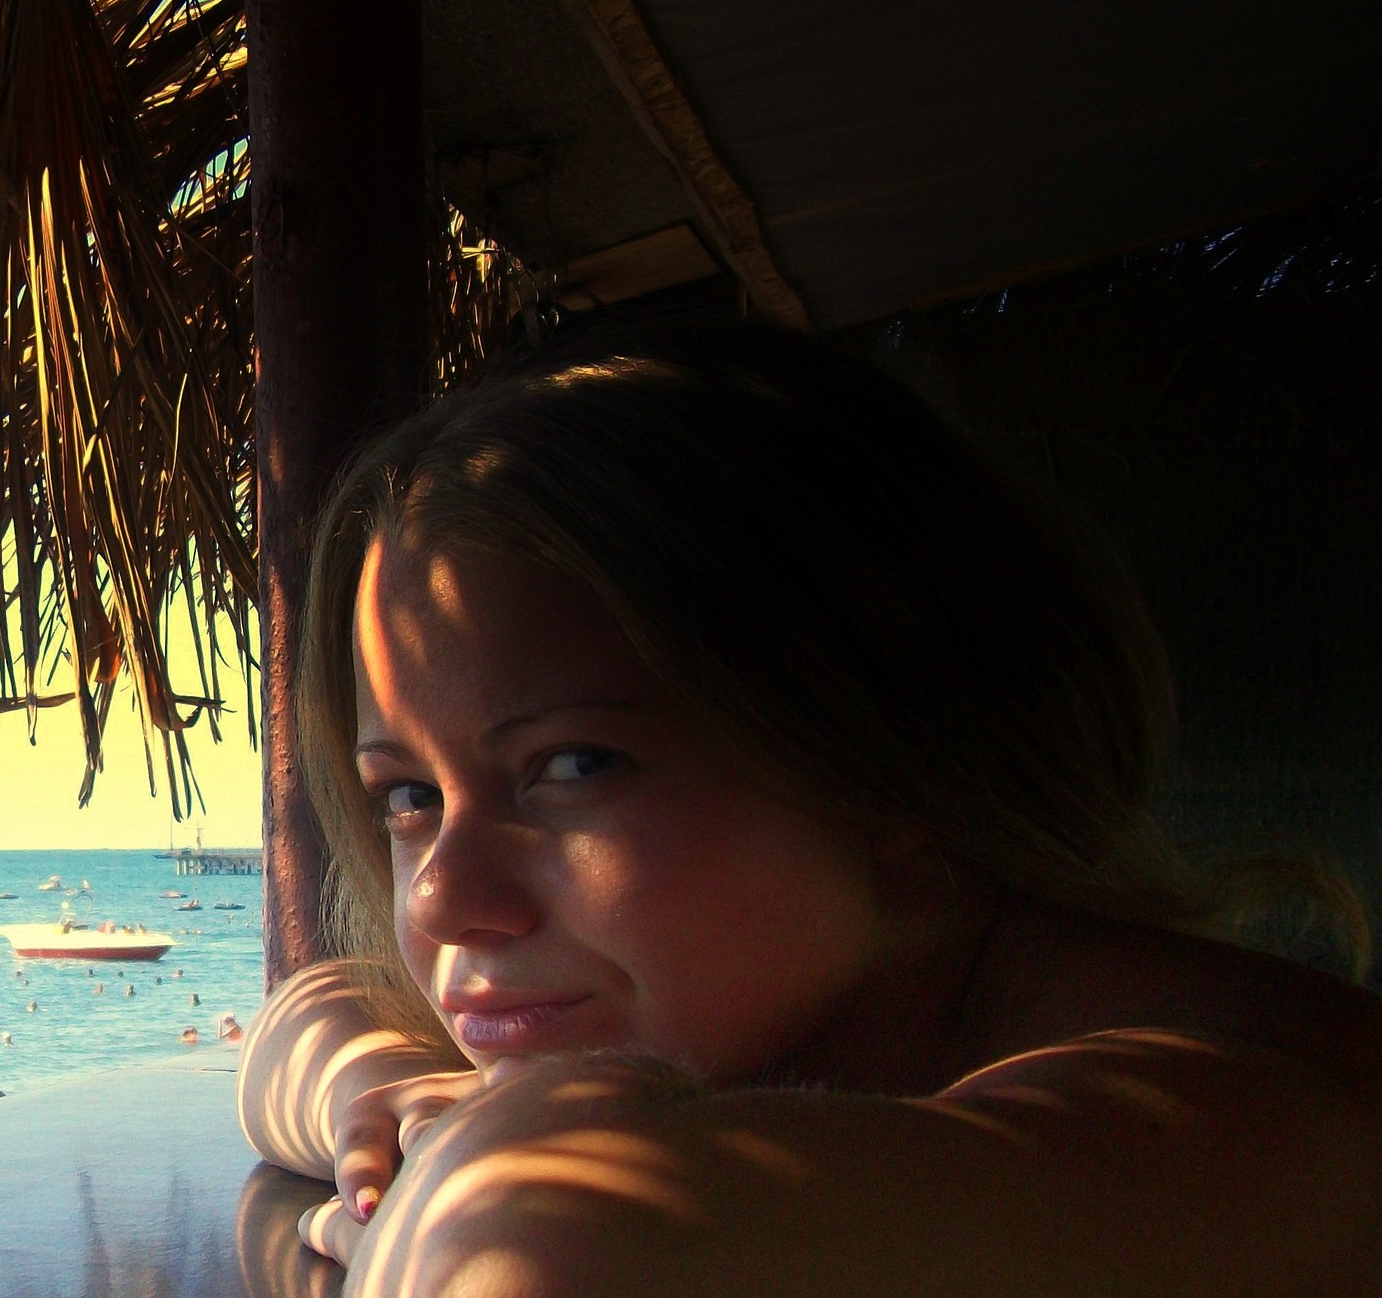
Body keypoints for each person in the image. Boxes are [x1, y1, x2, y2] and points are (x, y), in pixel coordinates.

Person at [239, 319, 1382, 1297]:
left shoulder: (1246, 1112)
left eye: (575, 764)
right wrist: (377, 1111)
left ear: (898, 760)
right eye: (408, 795)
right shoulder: (793, 1008)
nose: (439, 898)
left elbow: (540, 1248)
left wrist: (472, 1189)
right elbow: (307, 1018)